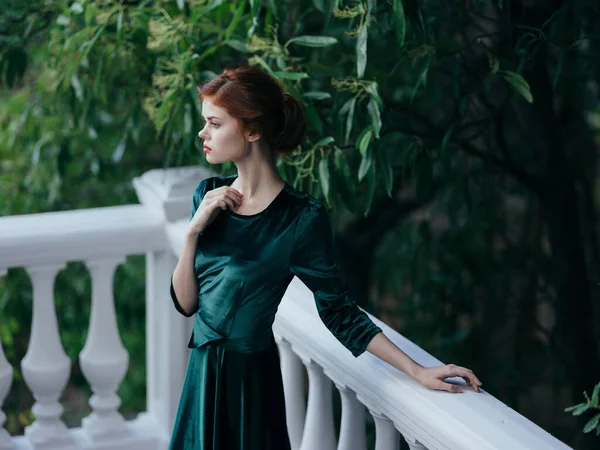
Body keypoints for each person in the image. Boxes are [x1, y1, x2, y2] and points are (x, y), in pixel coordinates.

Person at [168, 65, 482, 450]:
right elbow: (186, 304)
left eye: (214, 123)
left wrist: (417, 370)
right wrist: (192, 232)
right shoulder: (208, 195)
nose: (203, 133)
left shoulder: (300, 217)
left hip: (250, 382)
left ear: (252, 130)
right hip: (202, 377)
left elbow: (340, 311)